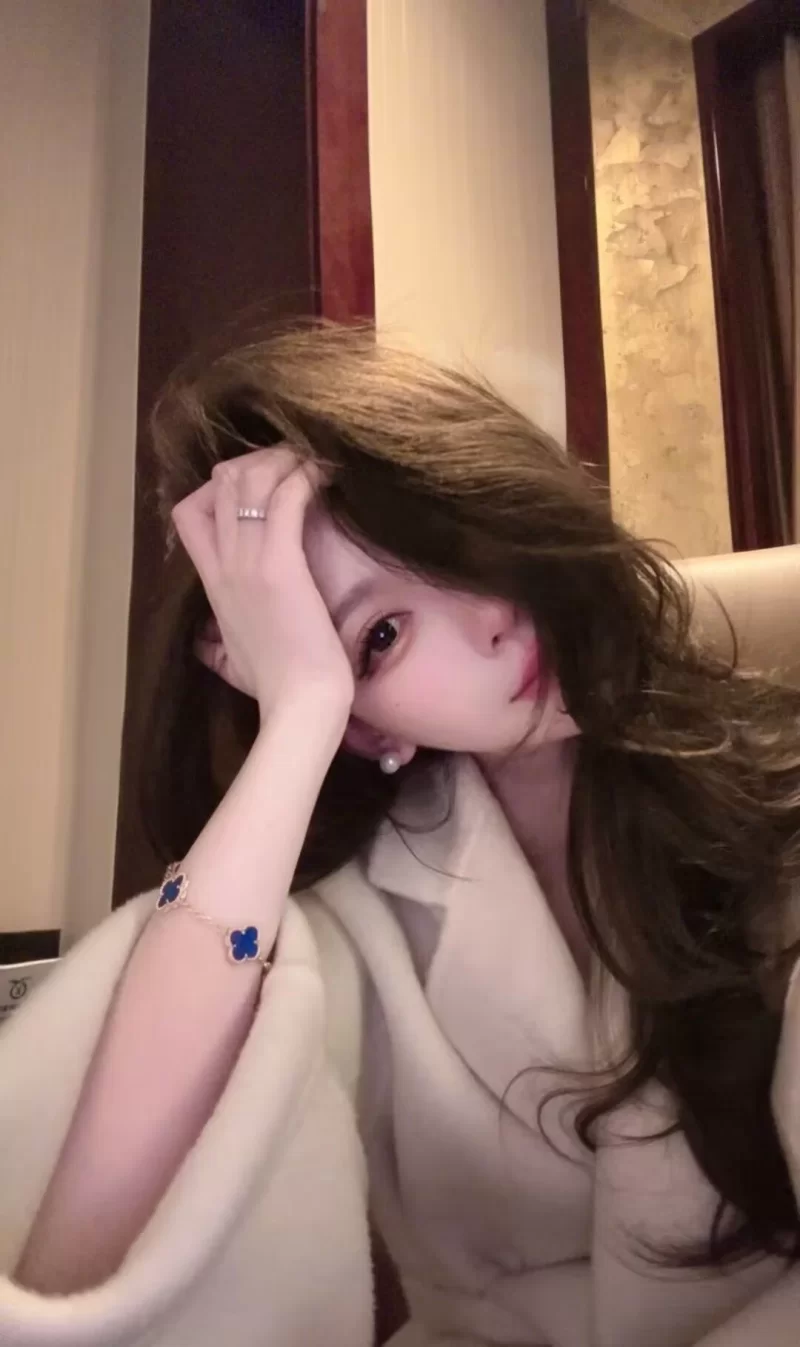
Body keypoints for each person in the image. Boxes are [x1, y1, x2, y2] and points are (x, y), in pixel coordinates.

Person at [1, 323, 799, 1347]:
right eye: (378, 635)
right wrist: (298, 719)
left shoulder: (771, 801)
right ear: (365, 726)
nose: (491, 619)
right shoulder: (357, 906)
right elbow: (73, 1264)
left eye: (457, 545)